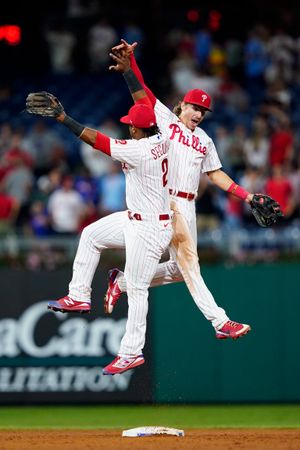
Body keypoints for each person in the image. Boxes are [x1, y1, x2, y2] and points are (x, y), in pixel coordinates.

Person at [104, 40, 255, 340]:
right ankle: (220, 322)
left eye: (203, 110)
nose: (198, 113)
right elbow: (142, 92)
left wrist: (247, 196)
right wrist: (129, 67)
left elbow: (216, 174)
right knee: (191, 267)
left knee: (178, 269)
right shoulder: (167, 122)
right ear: (182, 106)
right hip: (166, 201)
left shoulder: (206, 140)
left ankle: (121, 283)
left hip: (189, 206)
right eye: (194, 107)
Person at [26, 92, 173, 375]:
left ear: (136, 128)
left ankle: (131, 352)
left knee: (139, 289)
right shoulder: (163, 137)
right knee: (91, 235)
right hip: (136, 218)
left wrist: (64, 119)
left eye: (131, 124)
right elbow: (147, 101)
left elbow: (97, 140)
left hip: (151, 227)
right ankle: (79, 295)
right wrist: (130, 71)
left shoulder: (137, 149)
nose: (128, 126)